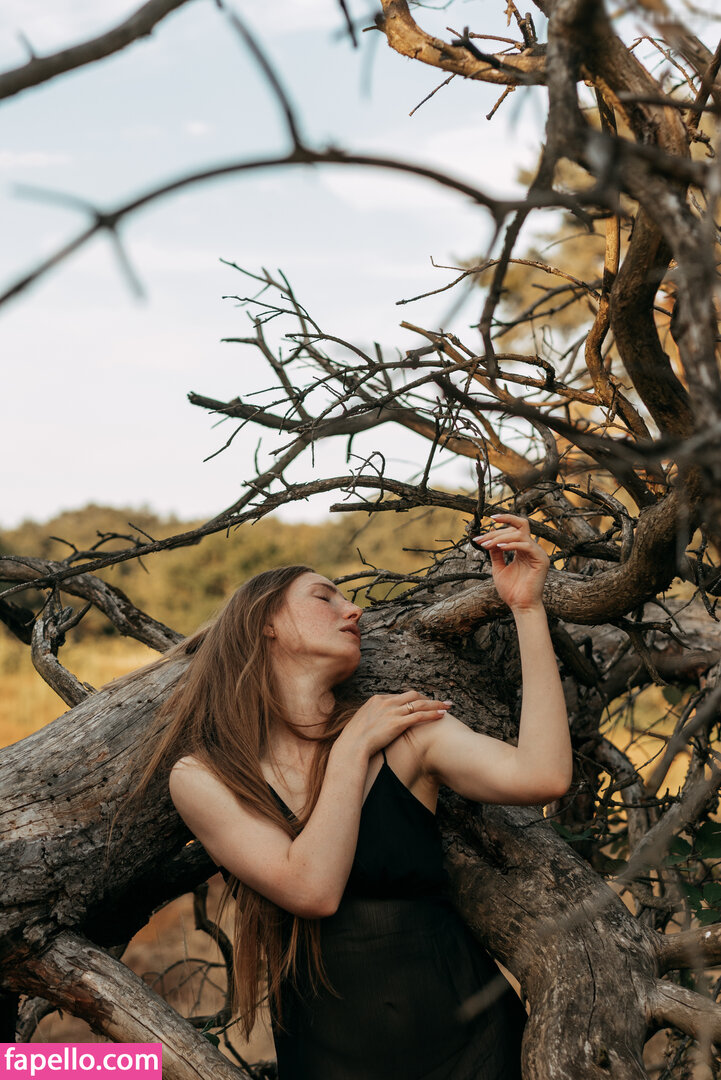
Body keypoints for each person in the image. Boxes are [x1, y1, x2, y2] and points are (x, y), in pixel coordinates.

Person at [163, 513, 572, 1079]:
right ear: (265, 623)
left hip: (478, 1051)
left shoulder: (407, 734)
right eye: (324, 597)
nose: (352, 609)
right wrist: (353, 748)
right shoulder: (205, 776)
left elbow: (543, 776)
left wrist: (526, 608)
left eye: (348, 598)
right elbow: (312, 889)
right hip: (330, 1061)